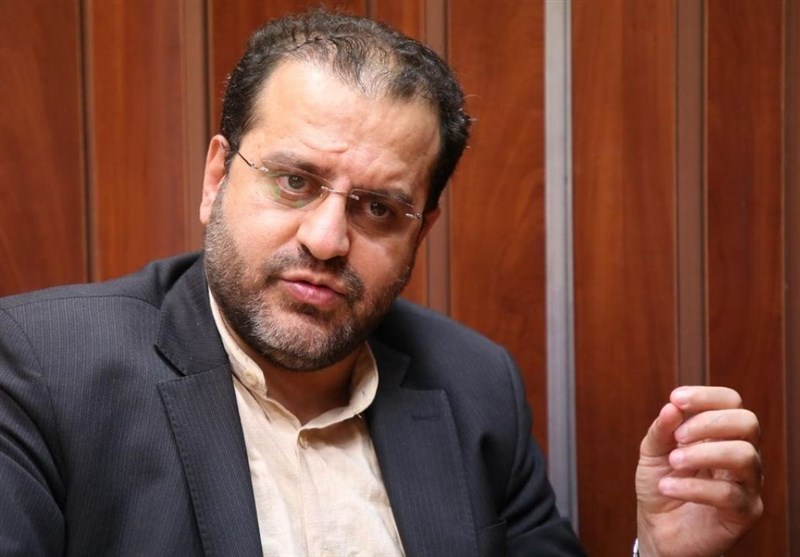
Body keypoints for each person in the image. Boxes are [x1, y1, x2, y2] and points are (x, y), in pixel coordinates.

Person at [0, 9, 762, 557]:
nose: (327, 239)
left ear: (420, 232)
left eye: (378, 209)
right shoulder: (44, 370)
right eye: (295, 181)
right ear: (216, 177)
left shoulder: (476, 387)